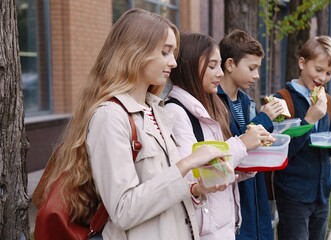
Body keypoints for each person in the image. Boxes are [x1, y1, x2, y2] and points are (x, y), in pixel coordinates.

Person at [33, 9, 231, 239]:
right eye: (165, 52)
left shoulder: (155, 110)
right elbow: (123, 210)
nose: (174, 62)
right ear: (136, 52)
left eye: (173, 53)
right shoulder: (110, 116)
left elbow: (160, 194)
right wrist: (186, 164)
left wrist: (194, 190)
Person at [164, 32, 275, 239]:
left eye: (219, 65)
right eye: (212, 65)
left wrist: (248, 166)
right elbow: (192, 176)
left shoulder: (209, 106)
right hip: (206, 229)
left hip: (224, 225)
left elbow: (219, 170)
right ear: (190, 66)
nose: (220, 73)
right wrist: (242, 144)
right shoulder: (176, 112)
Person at [273, 35, 331, 240]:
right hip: (293, 195)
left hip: (322, 194)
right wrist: (308, 120)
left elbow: (322, 143)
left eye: (329, 73)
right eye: (319, 69)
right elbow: (282, 152)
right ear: (302, 63)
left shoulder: (327, 101)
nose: (323, 78)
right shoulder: (282, 101)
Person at [217, 29, 284, 240]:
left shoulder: (247, 102)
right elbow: (234, 143)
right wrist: (264, 119)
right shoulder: (215, 104)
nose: (256, 75)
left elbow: (253, 143)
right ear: (230, 65)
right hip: (234, 195)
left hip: (255, 191)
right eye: (252, 68)